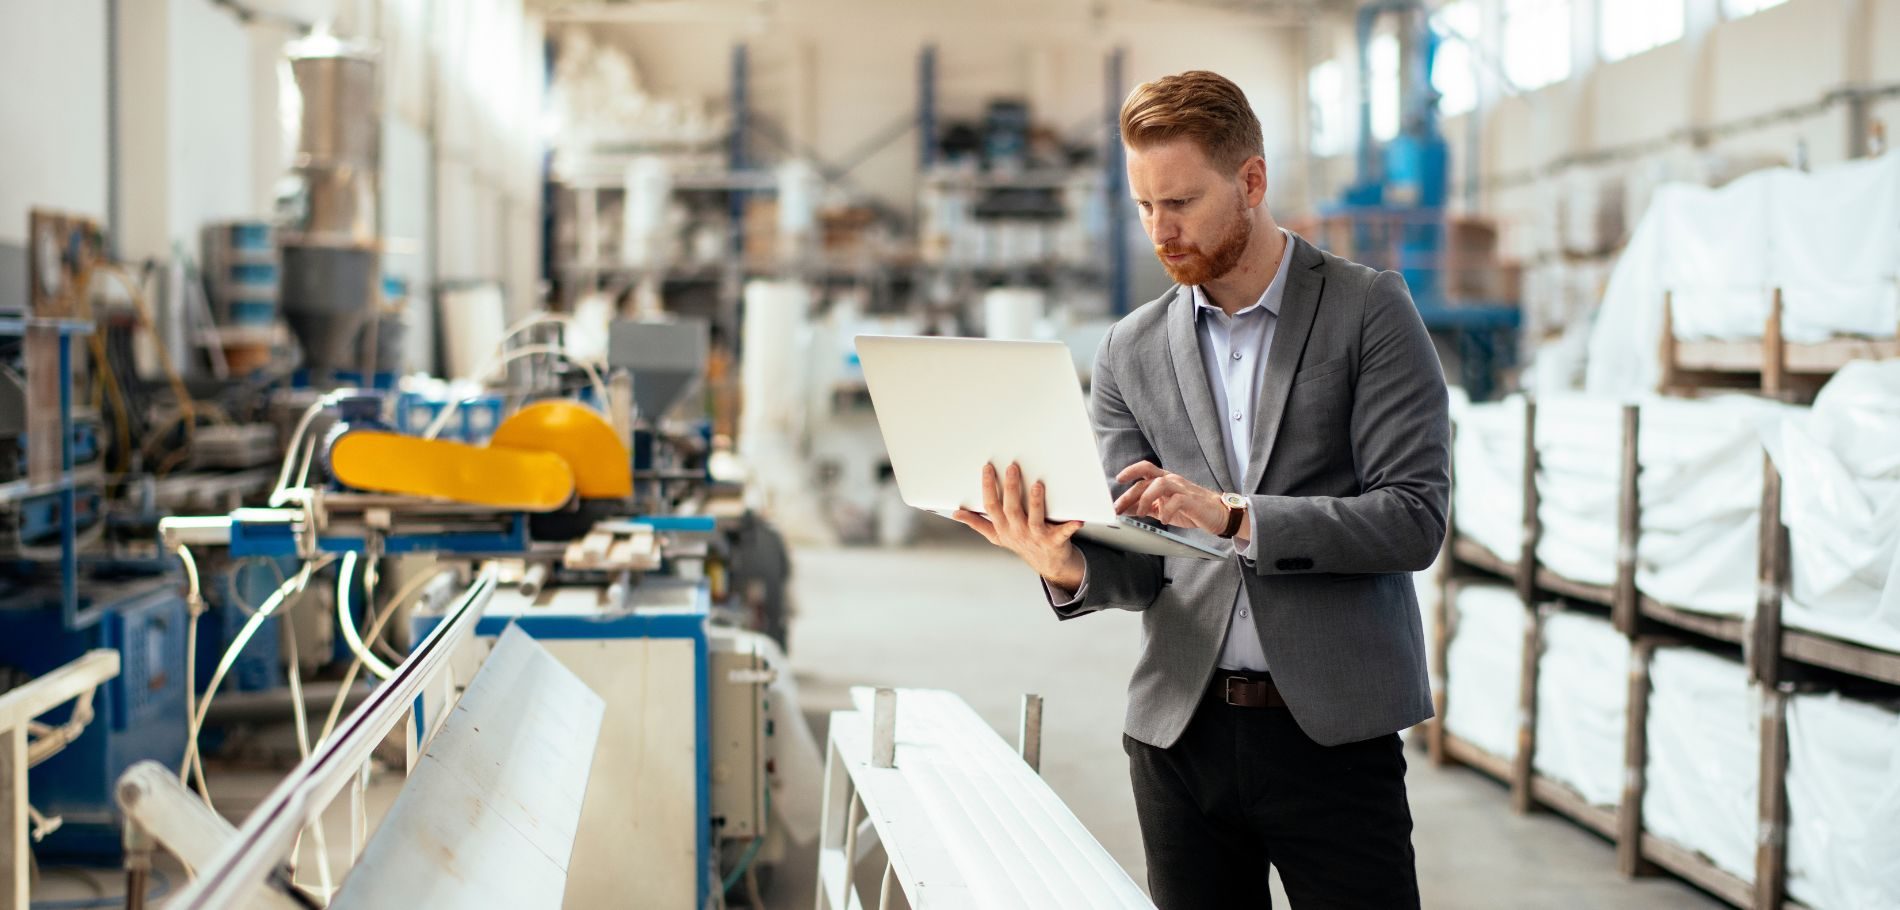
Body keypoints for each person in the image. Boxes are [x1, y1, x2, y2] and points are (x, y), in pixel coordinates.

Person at [949, 70, 1450, 909]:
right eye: (1145, 207)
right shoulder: (1129, 350)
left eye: (1179, 202)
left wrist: (1236, 517)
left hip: (1334, 734)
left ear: (1251, 181)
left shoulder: (1369, 310)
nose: (1160, 230)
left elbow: (1414, 519)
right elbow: (1139, 568)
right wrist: (1062, 561)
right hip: (1180, 738)